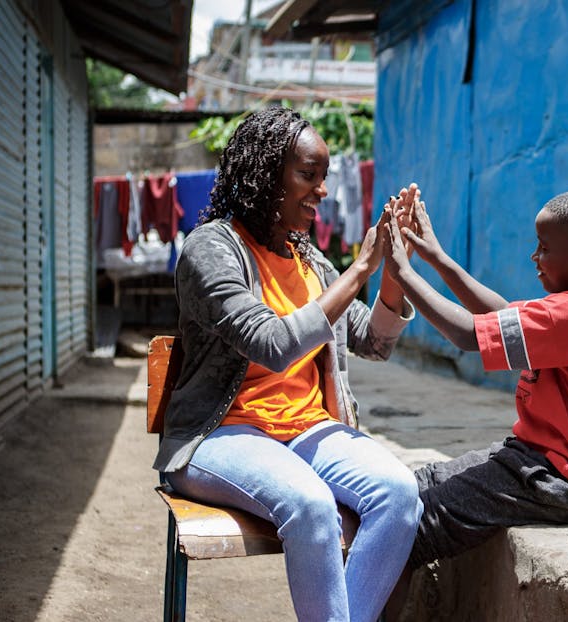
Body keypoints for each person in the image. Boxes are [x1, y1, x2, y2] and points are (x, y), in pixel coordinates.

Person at [152, 106, 423, 622]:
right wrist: (359, 268)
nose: (322, 190)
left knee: (400, 494)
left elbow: (373, 341)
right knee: (312, 505)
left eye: (324, 176)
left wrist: (393, 266)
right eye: (308, 175)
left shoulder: (310, 259)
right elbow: (271, 344)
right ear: (266, 175)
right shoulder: (211, 249)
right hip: (221, 434)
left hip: (305, 431)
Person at [381, 188, 568, 614]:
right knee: (415, 485)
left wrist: (402, 273)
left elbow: (467, 334)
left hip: (555, 481)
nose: (535, 256)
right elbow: (498, 315)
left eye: (544, 248)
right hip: (529, 461)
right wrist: (437, 258)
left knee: (402, 532)